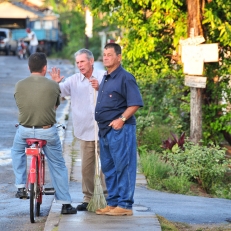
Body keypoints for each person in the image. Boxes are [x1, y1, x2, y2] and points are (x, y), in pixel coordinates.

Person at [11, 52, 77, 215]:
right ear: (45, 68)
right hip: (47, 131)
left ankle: (20, 186)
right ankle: (65, 204)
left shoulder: (19, 85)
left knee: (16, 151)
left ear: (29, 68)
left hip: (25, 130)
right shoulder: (53, 86)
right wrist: (55, 83)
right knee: (58, 164)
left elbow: (23, 106)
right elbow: (54, 107)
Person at [49, 48, 107, 211]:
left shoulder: (104, 76)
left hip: (105, 129)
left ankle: (106, 196)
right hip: (85, 130)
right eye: (77, 63)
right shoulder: (73, 80)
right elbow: (57, 94)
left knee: (108, 165)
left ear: (91, 61)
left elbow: (115, 95)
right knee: (86, 167)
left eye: (82, 61)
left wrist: (100, 88)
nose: (80, 65)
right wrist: (55, 83)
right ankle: (88, 199)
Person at [95, 43, 143, 216]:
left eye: (110, 54)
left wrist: (122, 119)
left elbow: (135, 102)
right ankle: (113, 203)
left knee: (124, 166)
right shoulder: (106, 77)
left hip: (120, 130)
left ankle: (125, 205)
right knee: (109, 168)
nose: (106, 57)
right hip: (105, 131)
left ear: (119, 57)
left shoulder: (125, 77)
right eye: (104, 54)